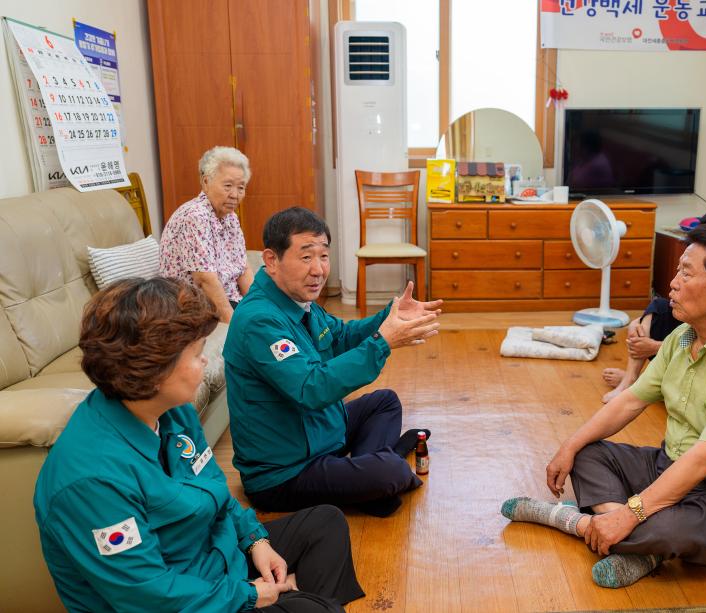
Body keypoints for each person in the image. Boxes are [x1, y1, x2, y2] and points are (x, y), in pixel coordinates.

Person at [33, 277, 364, 612]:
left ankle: (302, 599)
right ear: (153, 370)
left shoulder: (172, 411)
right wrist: (249, 595)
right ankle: (302, 600)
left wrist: (256, 540)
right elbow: (148, 595)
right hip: (180, 597)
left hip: (212, 561)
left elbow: (214, 489)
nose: (205, 362)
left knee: (326, 524)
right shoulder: (90, 480)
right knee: (311, 609)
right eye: (196, 354)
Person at [501, 223, 706, 589]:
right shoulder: (682, 336)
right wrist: (570, 446)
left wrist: (632, 512)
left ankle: (571, 520)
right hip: (670, 466)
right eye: (678, 270)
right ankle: (641, 544)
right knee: (588, 454)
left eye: (686, 273)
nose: (672, 283)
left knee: (670, 525)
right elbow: (629, 401)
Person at [224, 207, 443, 518]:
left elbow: (340, 336)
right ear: (271, 261)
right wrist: (384, 341)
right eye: (306, 257)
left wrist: (390, 316)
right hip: (286, 473)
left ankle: (367, 478)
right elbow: (311, 388)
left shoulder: (297, 300)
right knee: (391, 470)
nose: (318, 269)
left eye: (323, 256)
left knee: (385, 402)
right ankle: (375, 476)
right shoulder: (260, 321)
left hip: (320, 437)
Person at [602, 206, 706, 402]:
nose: (673, 282)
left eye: (686, 273)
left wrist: (653, 347)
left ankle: (650, 383)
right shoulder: (688, 328)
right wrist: (637, 324)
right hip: (698, 341)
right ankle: (632, 380)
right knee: (659, 308)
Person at [160, 146, 254, 322]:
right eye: (227, 186)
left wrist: (258, 306)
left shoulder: (230, 217)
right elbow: (204, 280)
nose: (235, 194)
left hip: (229, 297)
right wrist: (233, 327)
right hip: (195, 304)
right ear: (205, 182)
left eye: (241, 187)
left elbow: (243, 268)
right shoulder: (195, 216)